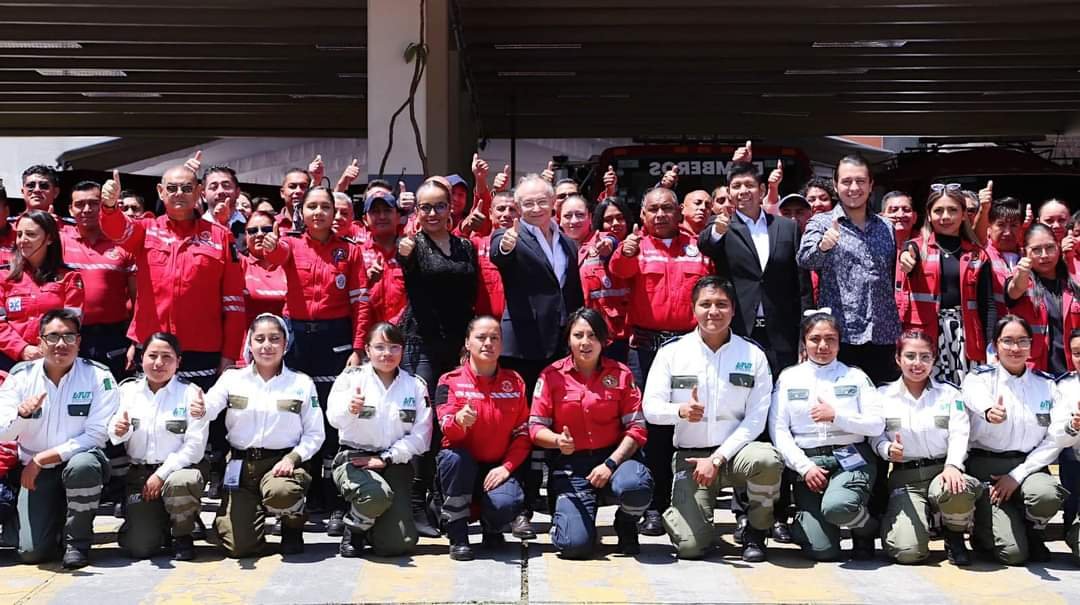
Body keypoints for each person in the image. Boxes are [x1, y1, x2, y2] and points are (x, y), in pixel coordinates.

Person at [642, 276, 782, 561]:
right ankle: (688, 517)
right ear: (693, 308)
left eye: (721, 304)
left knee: (767, 460)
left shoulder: (752, 354)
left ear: (733, 309)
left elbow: (756, 419)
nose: (713, 311)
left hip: (736, 455)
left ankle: (756, 530)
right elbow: (650, 408)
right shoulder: (672, 352)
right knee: (690, 548)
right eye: (705, 304)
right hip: (692, 459)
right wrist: (679, 411)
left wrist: (718, 458)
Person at [262, 185, 368, 533]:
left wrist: (357, 347)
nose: (319, 212)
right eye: (312, 206)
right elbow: (275, 255)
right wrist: (272, 242)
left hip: (335, 338)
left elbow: (360, 302)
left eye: (325, 207)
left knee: (333, 419)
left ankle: (335, 501)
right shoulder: (290, 244)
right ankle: (296, 498)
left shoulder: (349, 250)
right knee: (295, 416)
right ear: (302, 212)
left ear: (335, 213)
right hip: (296, 338)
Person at [610, 185, 712, 536]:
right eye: (653, 209)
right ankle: (652, 506)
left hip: (687, 349)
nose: (660, 215)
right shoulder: (635, 247)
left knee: (686, 423)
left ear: (678, 211)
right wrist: (626, 250)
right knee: (649, 426)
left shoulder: (697, 249)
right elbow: (618, 270)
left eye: (667, 208)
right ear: (642, 215)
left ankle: (685, 500)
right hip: (645, 350)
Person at [99, 166, 245, 387]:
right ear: (160, 191)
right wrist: (110, 207)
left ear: (198, 192)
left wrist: (230, 354)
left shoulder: (221, 237)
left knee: (198, 409)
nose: (179, 193)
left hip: (201, 349)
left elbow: (234, 302)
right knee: (149, 408)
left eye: (186, 188)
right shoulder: (146, 229)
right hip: (152, 346)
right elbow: (117, 230)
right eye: (172, 188)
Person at [529, 308, 653, 558]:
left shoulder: (621, 374)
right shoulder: (551, 376)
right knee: (574, 546)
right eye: (578, 335)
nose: (585, 342)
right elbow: (535, 428)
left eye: (592, 335)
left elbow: (637, 428)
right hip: (571, 465)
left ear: (604, 340)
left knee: (636, 485)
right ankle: (573, 518)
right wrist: (557, 441)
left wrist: (610, 464)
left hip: (615, 461)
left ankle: (626, 524)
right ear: (568, 339)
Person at [0, 309, 118, 568]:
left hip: (76, 463)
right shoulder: (20, 377)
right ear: (40, 341)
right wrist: (22, 415)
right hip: (35, 471)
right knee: (31, 553)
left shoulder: (99, 376)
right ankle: (48, 524)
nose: (61, 344)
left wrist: (41, 459)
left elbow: (96, 435)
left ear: (79, 341)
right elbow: (3, 432)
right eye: (52, 337)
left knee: (83, 466)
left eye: (69, 337)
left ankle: (77, 542)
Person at [202, 313, 325, 557]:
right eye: (259, 339)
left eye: (274, 339)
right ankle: (245, 520)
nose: (267, 345)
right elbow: (208, 408)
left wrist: (292, 459)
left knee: (282, 493)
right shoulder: (232, 379)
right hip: (241, 466)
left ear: (285, 344)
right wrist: (198, 407)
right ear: (249, 343)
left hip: (282, 465)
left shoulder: (301, 383)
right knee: (238, 548)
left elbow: (315, 434)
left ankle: (292, 523)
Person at [397, 180, 479, 537]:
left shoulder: (466, 247)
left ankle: (442, 499)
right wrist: (404, 251)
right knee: (426, 421)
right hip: (422, 344)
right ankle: (416, 501)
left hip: (456, 346)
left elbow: (470, 296)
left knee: (453, 422)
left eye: (439, 206)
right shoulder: (411, 246)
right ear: (417, 211)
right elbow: (404, 265)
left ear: (451, 209)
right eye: (425, 207)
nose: (432, 213)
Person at [769, 309, 884, 561]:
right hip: (810, 464)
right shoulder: (789, 378)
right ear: (804, 342)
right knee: (823, 551)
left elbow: (876, 425)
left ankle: (866, 529)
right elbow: (778, 430)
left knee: (838, 507)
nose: (823, 346)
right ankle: (807, 524)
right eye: (815, 339)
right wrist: (804, 468)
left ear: (839, 342)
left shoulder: (855, 377)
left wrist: (837, 417)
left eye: (830, 339)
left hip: (850, 457)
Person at [961, 315, 1070, 565]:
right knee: (1012, 555)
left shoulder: (1045, 385)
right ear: (995, 345)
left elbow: (1054, 439)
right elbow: (972, 395)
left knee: (1046, 494)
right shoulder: (980, 379)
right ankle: (982, 531)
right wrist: (989, 411)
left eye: (1022, 341)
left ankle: (1034, 532)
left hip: (1029, 466)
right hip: (988, 470)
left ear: (1031, 345)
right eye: (1007, 341)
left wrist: (1017, 475)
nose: (1015, 348)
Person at [872, 329, 983, 565]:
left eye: (925, 357)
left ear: (934, 359)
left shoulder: (949, 394)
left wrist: (953, 466)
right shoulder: (882, 396)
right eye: (910, 356)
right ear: (898, 358)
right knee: (908, 552)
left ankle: (954, 535)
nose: (917, 363)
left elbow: (960, 433)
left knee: (959, 489)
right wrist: (886, 449)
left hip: (942, 472)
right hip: (906, 478)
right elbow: (875, 436)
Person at [326, 322, 432, 558]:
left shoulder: (414, 385)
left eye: (394, 347)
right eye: (380, 347)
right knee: (375, 496)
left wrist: (386, 458)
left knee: (398, 544)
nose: (387, 354)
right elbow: (334, 419)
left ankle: (372, 525)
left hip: (394, 462)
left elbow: (422, 437)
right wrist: (350, 409)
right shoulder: (351, 378)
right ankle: (354, 528)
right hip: (355, 459)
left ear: (402, 350)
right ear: (367, 349)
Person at [797, 155, 902, 385]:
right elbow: (804, 259)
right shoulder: (821, 223)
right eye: (846, 182)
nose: (854, 188)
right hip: (842, 334)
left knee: (883, 398)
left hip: (883, 331)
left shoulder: (886, 226)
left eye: (860, 181)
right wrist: (823, 246)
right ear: (835, 186)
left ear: (871, 185)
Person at [435, 316, 532, 560]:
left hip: (496, 467)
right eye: (481, 337)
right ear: (468, 343)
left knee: (506, 503)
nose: (488, 343)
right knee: (454, 459)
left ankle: (493, 528)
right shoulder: (449, 381)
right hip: (461, 467)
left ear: (502, 344)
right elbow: (446, 429)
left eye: (494, 338)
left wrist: (506, 467)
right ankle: (458, 535)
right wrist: (459, 421)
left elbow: (523, 434)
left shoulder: (515, 381)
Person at [698, 162, 808, 377]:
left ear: (762, 190)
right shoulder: (721, 225)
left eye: (749, 185)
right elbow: (706, 244)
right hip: (739, 329)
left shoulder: (787, 227)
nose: (743, 191)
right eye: (736, 186)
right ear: (729, 192)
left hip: (782, 332)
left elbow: (802, 284)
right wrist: (718, 231)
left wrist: (806, 328)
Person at [107, 332, 208, 560]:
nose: (159, 363)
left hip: (177, 472)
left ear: (178, 361)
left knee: (182, 482)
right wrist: (119, 430)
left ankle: (182, 533)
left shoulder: (191, 393)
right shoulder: (127, 391)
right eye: (152, 356)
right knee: (139, 548)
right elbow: (114, 431)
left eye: (167, 357)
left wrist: (161, 475)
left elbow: (194, 448)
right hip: (140, 475)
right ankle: (156, 523)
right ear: (142, 358)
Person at [897, 186, 994, 384]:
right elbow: (908, 253)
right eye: (938, 211)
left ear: (964, 215)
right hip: (926, 337)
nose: (945, 216)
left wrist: (992, 347)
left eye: (952, 210)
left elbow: (988, 305)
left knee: (967, 391)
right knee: (927, 390)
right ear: (929, 215)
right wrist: (906, 256)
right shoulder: (916, 248)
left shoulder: (978, 255)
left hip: (967, 337)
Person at [62, 181, 136, 379]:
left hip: (113, 337)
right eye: (79, 204)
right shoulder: (59, 242)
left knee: (114, 392)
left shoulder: (123, 243)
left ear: (103, 205)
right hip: (69, 336)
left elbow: (138, 299)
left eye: (94, 203)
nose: (87, 209)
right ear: (70, 209)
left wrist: (134, 342)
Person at [0, 211, 84, 371]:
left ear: (49, 238)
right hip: (7, 361)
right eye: (19, 234)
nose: (22, 240)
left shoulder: (69, 278)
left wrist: (46, 349)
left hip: (54, 361)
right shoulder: (4, 276)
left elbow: (71, 324)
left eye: (30, 234)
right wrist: (22, 349)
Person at [1005, 222, 1080, 374]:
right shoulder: (1021, 280)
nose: (1044, 255)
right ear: (1024, 252)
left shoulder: (1072, 282)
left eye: (1050, 247)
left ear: (1058, 247)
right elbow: (1015, 290)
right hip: (1034, 373)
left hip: (1072, 372)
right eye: (1036, 250)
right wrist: (1022, 274)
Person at [580, 198, 632, 363]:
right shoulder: (591, 248)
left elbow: (613, 242)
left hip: (632, 337)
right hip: (599, 335)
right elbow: (609, 240)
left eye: (620, 218)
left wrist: (612, 244)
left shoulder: (638, 245)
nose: (615, 223)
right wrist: (608, 244)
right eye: (608, 220)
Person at [360, 190, 407, 328]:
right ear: (365, 220)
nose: (381, 216)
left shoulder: (411, 251)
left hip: (405, 332)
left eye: (387, 211)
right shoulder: (356, 253)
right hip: (368, 333)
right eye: (375, 212)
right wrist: (365, 280)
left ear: (398, 217)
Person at [472, 191, 516, 320]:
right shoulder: (476, 244)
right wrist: (465, 227)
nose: (506, 214)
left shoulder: (529, 247)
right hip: (484, 324)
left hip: (517, 325)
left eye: (512, 209)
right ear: (490, 214)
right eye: (501, 209)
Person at [239, 211, 286, 325]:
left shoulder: (288, 265)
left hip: (287, 334)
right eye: (252, 231)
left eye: (266, 229)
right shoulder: (239, 264)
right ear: (245, 237)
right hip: (249, 334)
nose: (260, 234)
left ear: (277, 233)